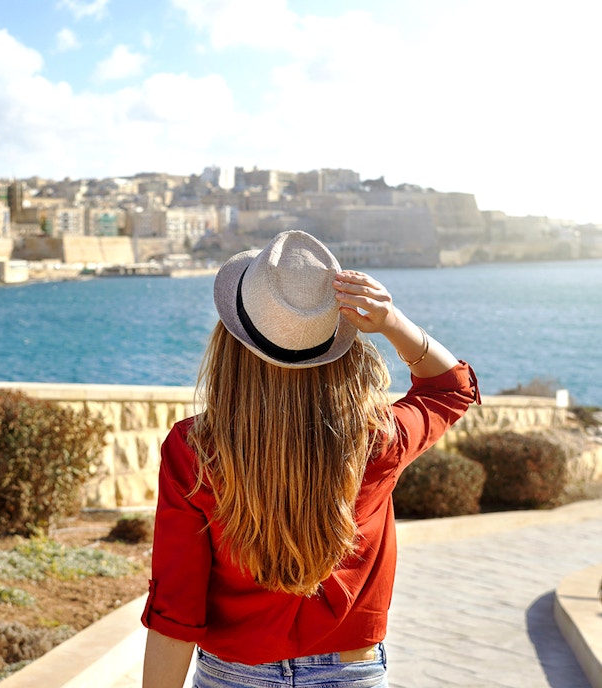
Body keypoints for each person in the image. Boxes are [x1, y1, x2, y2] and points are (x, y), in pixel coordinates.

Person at [141, 230, 479, 688]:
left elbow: (174, 611)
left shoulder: (195, 449)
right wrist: (392, 321)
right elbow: (449, 389)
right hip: (351, 671)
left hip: (234, 675)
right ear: (341, 346)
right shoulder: (378, 441)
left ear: (231, 345)